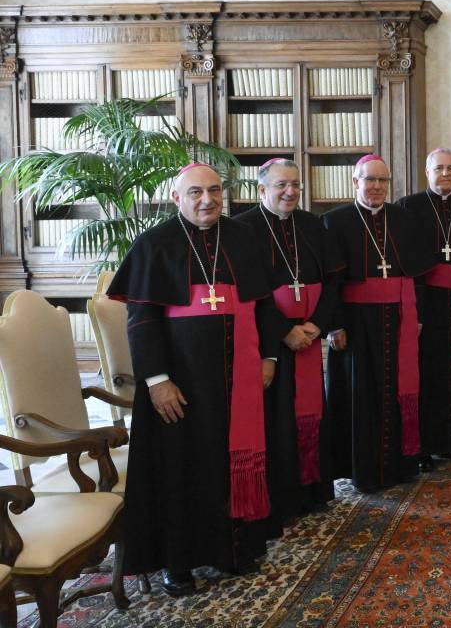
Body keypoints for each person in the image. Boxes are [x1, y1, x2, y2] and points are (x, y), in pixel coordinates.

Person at [106, 162, 278, 596]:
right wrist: (158, 380)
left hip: (237, 376)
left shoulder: (243, 237)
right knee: (181, 468)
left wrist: (268, 356)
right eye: (197, 192)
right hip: (181, 383)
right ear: (176, 198)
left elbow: (263, 306)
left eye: (215, 191)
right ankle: (177, 562)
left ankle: (234, 550)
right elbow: (141, 320)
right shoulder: (154, 244)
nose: (208, 200)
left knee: (230, 461)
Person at [235, 158, 344, 526]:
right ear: (261, 189)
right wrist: (285, 330)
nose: (291, 192)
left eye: (296, 185)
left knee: (313, 412)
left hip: (310, 337)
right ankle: (281, 495)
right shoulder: (242, 230)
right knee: (275, 417)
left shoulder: (313, 225)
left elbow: (332, 282)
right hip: (269, 342)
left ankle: (312, 489)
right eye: (282, 185)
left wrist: (316, 325)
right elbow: (253, 295)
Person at [323, 154, 429, 492]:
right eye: (370, 180)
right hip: (355, 323)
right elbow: (330, 282)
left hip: (397, 319)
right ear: (356, 182)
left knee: (397, 390)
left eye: (383, 180)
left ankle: (400, 464)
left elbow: (418, 276)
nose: (377, 187)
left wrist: (418, 317)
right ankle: (363, 471)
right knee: (360, 395)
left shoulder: (404, 219)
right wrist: (334, 325)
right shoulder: (334, 221)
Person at [398, 148, 451, 469]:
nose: (445, 173)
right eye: (439, 168)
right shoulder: (407, 207)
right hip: (424, 302)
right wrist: (414, 309)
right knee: (426, 373)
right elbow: (404, 260)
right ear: (427, 170)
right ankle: (424, 447)